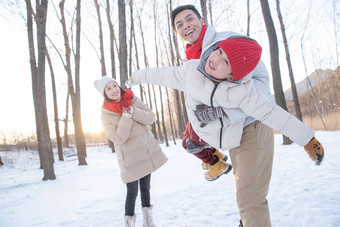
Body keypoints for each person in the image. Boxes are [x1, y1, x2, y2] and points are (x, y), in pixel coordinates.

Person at [126, 36, 324, 226]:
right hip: (203, 130)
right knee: (189, 142)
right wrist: (137, 76)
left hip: (231, 133)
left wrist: (307, 139)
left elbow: (273, 113)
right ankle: (214, 162)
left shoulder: (243, 92)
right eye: (219, 51)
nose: (216, 59)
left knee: (246, 194)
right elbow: (160, 74)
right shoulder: (191, 71)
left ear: (232, 76)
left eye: (226, 62)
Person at [171, 5, 274, 227]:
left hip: (252, 125)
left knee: (250, 201)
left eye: (190, 19)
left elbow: (262, 84)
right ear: (176, 32)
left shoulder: (226, 40)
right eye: (179, 24)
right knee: (244, 197)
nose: (185, 26)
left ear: (202, 20)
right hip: (231, 133)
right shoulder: (192, 62)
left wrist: (223, 111)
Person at [94, 76, 168, 227]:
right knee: (132, 193)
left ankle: (148, 222)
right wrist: (126, 116)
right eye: (108, 89)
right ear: (105, 94)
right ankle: (129, 224)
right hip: (129, 159)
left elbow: (150, 118)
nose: (114, 90)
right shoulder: (106, 114)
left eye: (114, 85)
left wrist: (133, 110)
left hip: (145, 153)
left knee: (146, 189)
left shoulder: (132, 99)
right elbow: (118, 138)